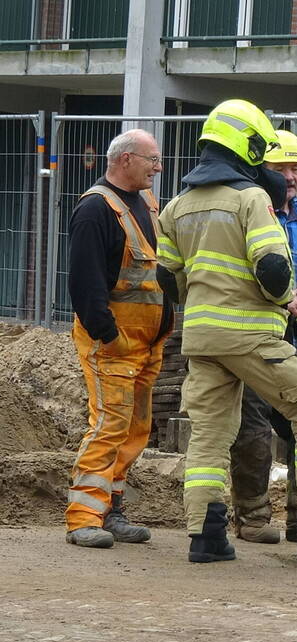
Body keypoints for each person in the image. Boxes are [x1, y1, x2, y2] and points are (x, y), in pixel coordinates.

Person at [156, 99, 297, 563]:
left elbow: (167, 281)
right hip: (251, 334)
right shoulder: (251, 199)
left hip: (202, 338)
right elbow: (274, 269)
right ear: (248, 146)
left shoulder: (177, 207)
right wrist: (284, 298)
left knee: (211, 434)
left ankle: (206, 535)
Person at [227, 130, 297, 545]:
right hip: (256, 333)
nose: (290, 176)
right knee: (252, 427)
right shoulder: (248, 211)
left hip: (294, 335)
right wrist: (278, 299)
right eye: (280, 168)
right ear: (262, 170)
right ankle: (253, 518)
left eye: (296, 168)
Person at [65, 128, 172, 549]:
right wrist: (107, 335)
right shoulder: (96, 209)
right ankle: (83, 517)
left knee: (135, 428)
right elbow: (85, 283)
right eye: (152, 159)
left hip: (146, 346)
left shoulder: (145, 204)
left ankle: (112, 509)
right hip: (113, 344)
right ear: (125, 159)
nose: (158, 167)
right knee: (109, 424)